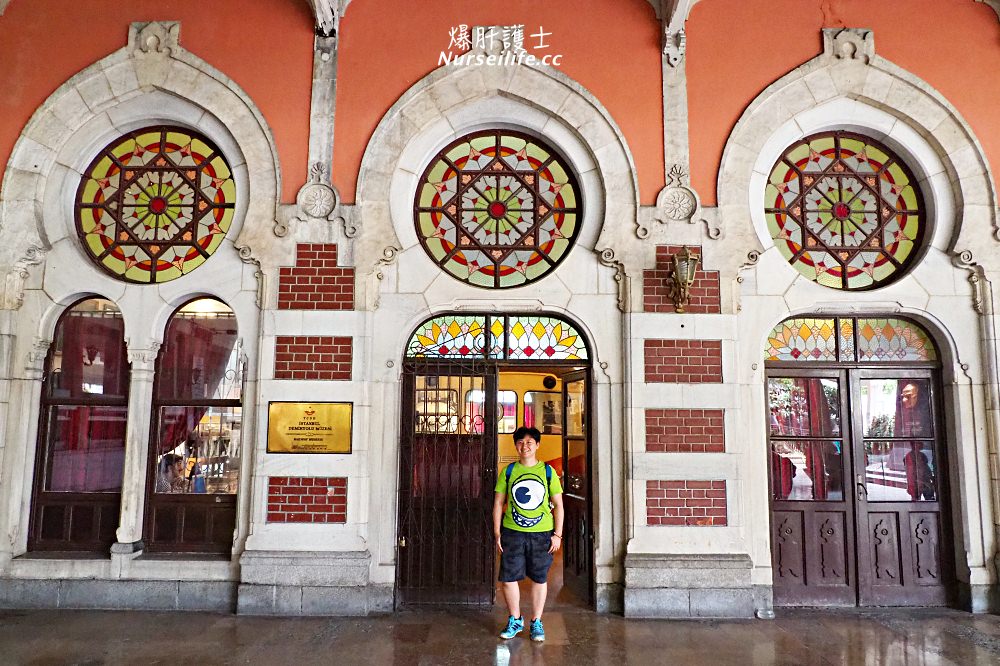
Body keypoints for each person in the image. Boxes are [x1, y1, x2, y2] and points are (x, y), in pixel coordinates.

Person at [493, 426, 564, 642]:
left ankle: (536, 621)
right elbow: (498, 502)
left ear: (537, 445)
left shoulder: (548, 472)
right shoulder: (508, 471)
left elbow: (559, 505)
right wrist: (497, 532)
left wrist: (557, 535)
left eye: (529, 442)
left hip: (542, 533)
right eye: (520, 442)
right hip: (512, 532)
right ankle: (515, 619)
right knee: (508, 578)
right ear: (515, 445)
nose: (525, 446)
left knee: (539, 578)